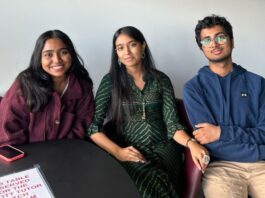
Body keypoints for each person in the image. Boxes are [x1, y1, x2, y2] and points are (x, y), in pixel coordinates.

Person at [87, 26, 208, 198]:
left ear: (143, 46)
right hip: (131, 148)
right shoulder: (111, 82)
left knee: (161, 179)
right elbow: (93, 127)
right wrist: (117, 152)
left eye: (132, 44)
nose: (126, 51)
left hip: (165, 148)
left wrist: (191, 143)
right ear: (116, 53)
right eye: (120, 48)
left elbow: (173, 125)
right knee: (143, 182)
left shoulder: (161, 80)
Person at [183, 14, 265, 198]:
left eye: (220, 37)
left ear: (232, 41)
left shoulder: (258, 83)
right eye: (207, 40)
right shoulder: (194, 89)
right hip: (221, 167)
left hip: (262, 164)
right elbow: (210, 142)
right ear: (201, 47)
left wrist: (221, 132)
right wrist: (258, 147)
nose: (214, 43)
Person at [0, 30, 94, 146]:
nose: (57, 60)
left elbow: (82, 125)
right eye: (48, 54)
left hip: (68, 152)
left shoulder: (83, 86)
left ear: (71, 55)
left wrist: (60, 151)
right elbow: (9, 133)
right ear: (39, 58)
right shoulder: (24, 85)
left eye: (63, 52)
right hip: (27, 157)